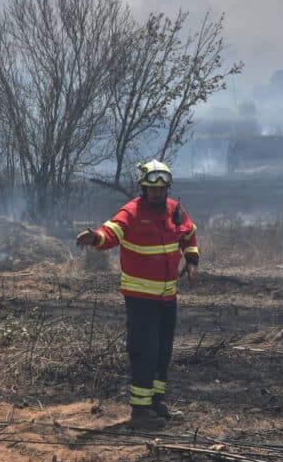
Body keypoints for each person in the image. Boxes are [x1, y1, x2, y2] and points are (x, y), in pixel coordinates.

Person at [76, 160, 199, 430]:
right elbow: (111, 232)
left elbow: (189, 235)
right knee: (144, 352)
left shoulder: (174, 210)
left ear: (167, 188)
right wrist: (95, 237)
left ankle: (156, 402)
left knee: (162, 353)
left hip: (168, 298)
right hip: (141, 299)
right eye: (152, 190)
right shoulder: (131, 212)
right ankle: (140, 411)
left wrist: (192, 263)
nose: (157, 194)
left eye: (161, 190)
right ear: (143, 188)